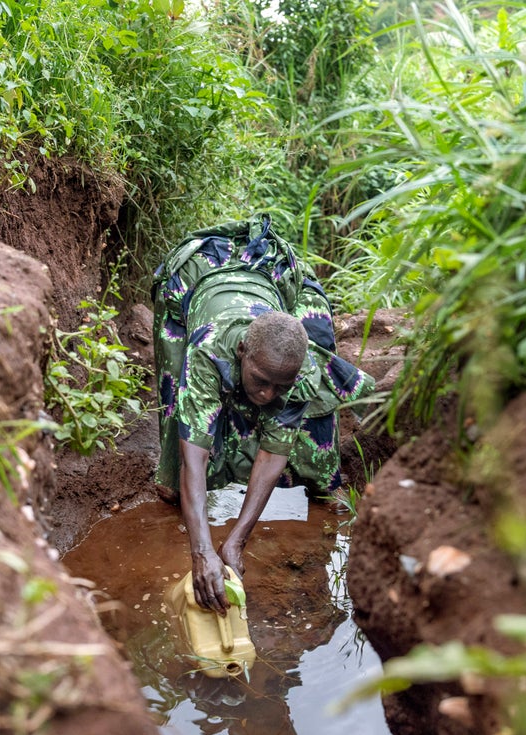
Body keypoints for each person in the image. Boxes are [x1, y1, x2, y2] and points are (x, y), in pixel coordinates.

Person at [151, 215, 375, 614]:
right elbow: (196, 454)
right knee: (178, 396)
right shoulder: (208, 351)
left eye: (279, 386)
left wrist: (236, 541)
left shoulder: (299, 371)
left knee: (306, 400)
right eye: (259, 380)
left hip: (269, 274)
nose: (267, 395)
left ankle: (323, 481)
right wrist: (201, 550)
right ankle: (170, 485)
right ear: (242, 353)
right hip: (198, 275)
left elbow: (273, 454)